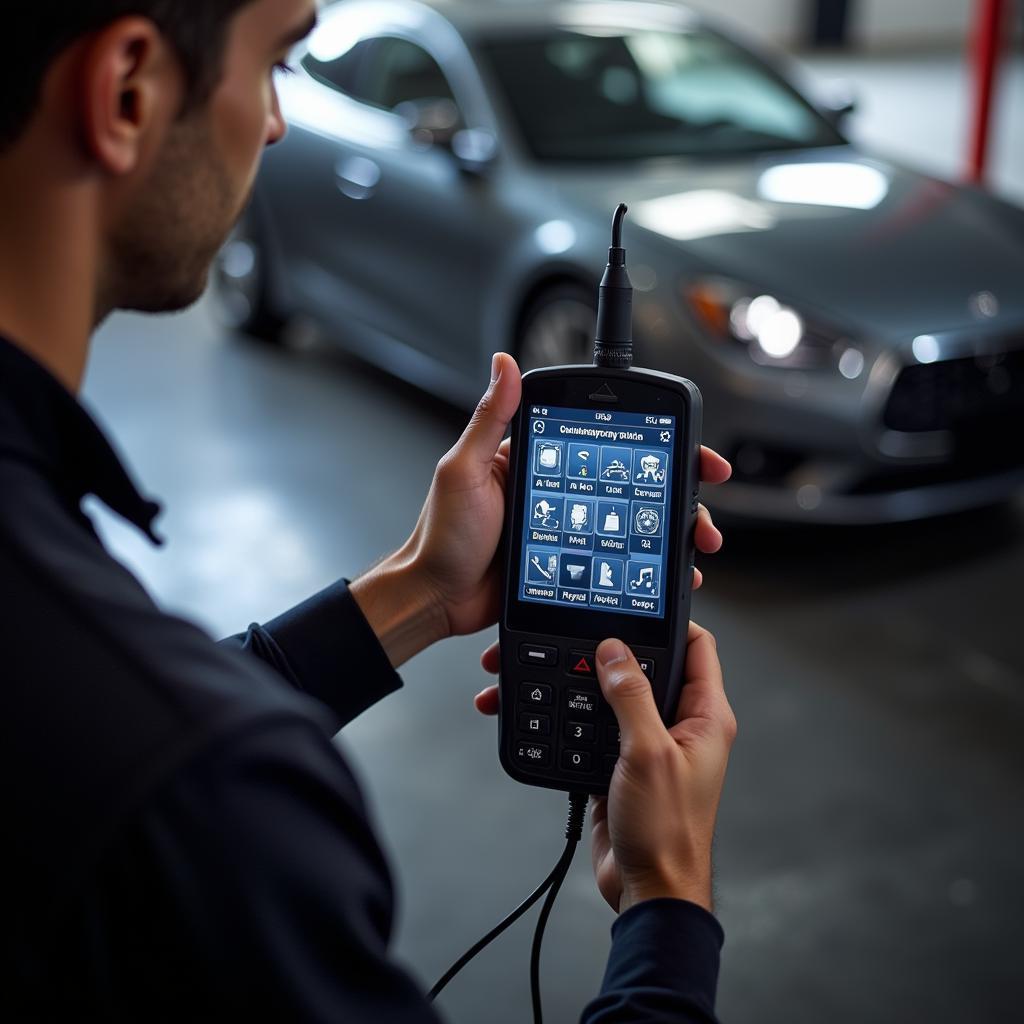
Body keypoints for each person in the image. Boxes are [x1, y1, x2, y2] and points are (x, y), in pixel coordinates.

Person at [0, 1, 737, 1019]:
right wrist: (668, 902)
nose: (276, 123)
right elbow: (165, 754)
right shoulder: (218, 801)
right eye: (273, 63)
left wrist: (421, 593)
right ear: (128, 90)